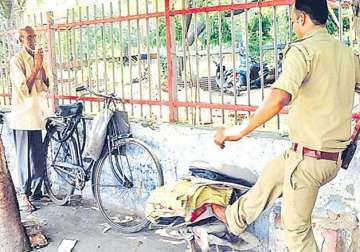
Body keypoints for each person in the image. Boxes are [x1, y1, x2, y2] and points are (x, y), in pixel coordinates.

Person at [213, 0, 360, 251]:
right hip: (329, 158)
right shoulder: (346, 54)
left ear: (301, 17)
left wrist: (239, 130)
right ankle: (235, 217)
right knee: (273, 173)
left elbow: (280, 97)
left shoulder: (302, 50)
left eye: (293, 20)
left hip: (308, 159)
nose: (294, 25)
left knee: (296, 232)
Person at [9, 26, 51, 212]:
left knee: (37, 156)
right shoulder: (16, 60)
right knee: (24, 158)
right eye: (28, 38)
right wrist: (35, 67)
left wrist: (40, 67)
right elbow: (24, 89)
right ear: (20, 41)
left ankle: (36, 192)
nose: (32, 40)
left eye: (34, 37)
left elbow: (44, 86)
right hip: (22, 117)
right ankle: (24, 195)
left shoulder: (38, 57)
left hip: (37, 115)